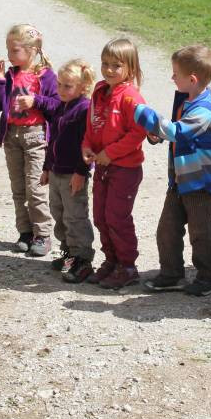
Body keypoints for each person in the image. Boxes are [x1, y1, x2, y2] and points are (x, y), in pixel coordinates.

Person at [134, 45, 211, 296]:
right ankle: (172, 274)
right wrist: (156, 135)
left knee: (200, 233)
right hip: (180, 180)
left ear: (192, 79)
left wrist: (141, 112)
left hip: (199, 184)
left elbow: (178, 132)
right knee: (167, 229)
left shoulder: (204, 109)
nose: (172, 77)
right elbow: (174, 132)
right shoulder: (187, 100)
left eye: (176, 74)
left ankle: (209, 277)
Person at [81, 38, 148, 290]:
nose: (109, 70)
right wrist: (87, 146)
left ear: (131, 68)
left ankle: (127, 266)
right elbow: (92, 124)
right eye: (105, 63)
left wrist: (110, 153)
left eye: (116, 65)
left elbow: (138, 132)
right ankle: (111, 260)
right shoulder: (100, 91)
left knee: (117, 217)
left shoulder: (131, 98)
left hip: (125, 169)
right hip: (102, 166)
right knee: (100, 216)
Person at [0, 24, 59, 258]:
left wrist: (35, 101)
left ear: (32, 50)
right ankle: (25, 232)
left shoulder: (46, 76)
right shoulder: (11, 75)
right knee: (18, 188)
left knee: (35, 188)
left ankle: (43, 234)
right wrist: (0, 81)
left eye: (15, 50)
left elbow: (57, 105)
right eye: (8, 49)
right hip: (12, 136)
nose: (9, 55)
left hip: (35, 136)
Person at [40, 59, 96, 283]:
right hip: (56, 172)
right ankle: (68, 253)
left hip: (73, 174)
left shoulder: (84, 109)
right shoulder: (61, 107)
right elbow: (52, 140)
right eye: (59, 85)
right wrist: (47, 168)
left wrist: (81, 172)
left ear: (83, 87)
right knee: (58, 212)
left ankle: (82, 259)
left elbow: (87, 145)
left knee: (75, 216)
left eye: (67, 86)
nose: (61, 90)